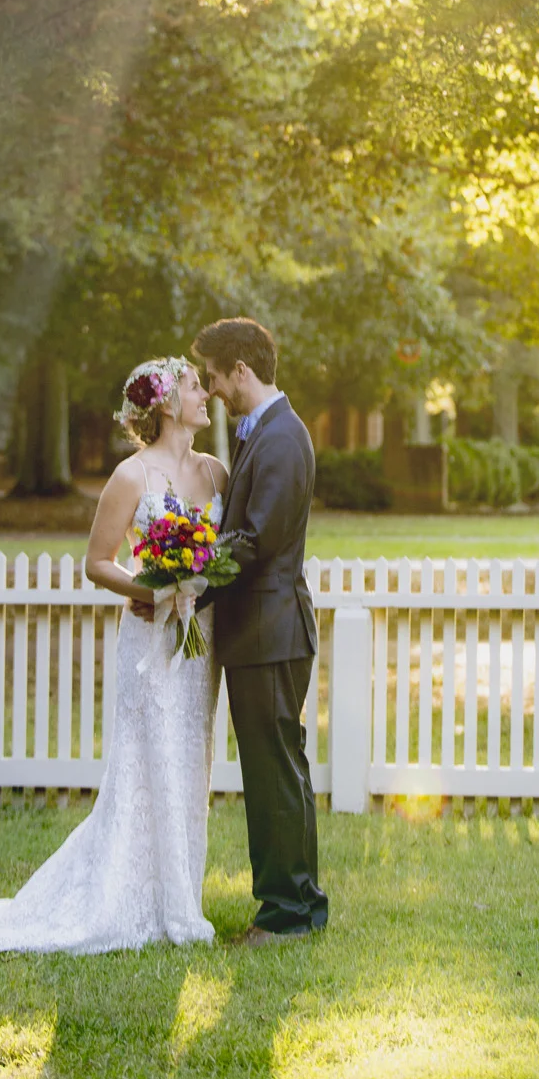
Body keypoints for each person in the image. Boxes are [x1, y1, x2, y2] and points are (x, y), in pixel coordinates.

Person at [0, 357, 228, 953]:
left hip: (199, 644)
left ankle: (179, 897)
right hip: (148, 639)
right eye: (195, 385)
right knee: (145, 766)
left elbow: (226, 551)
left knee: (190, 765)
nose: (206, 393)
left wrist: (198, 586)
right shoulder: (130, 477)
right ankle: (127, 897)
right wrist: (152, 589)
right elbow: (97, 562)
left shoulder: (218, 473)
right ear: (167, 404)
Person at [192, 315, 328, 943]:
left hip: (272, 633)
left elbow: (257, 538)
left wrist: (190, 581)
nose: (214, 391)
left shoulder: (278, 438)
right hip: (263, 634)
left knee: (275, 776)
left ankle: (287, 914)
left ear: (241, 371)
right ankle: (297, 905)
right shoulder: (267, 432)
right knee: (277, 771)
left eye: (216, 379)